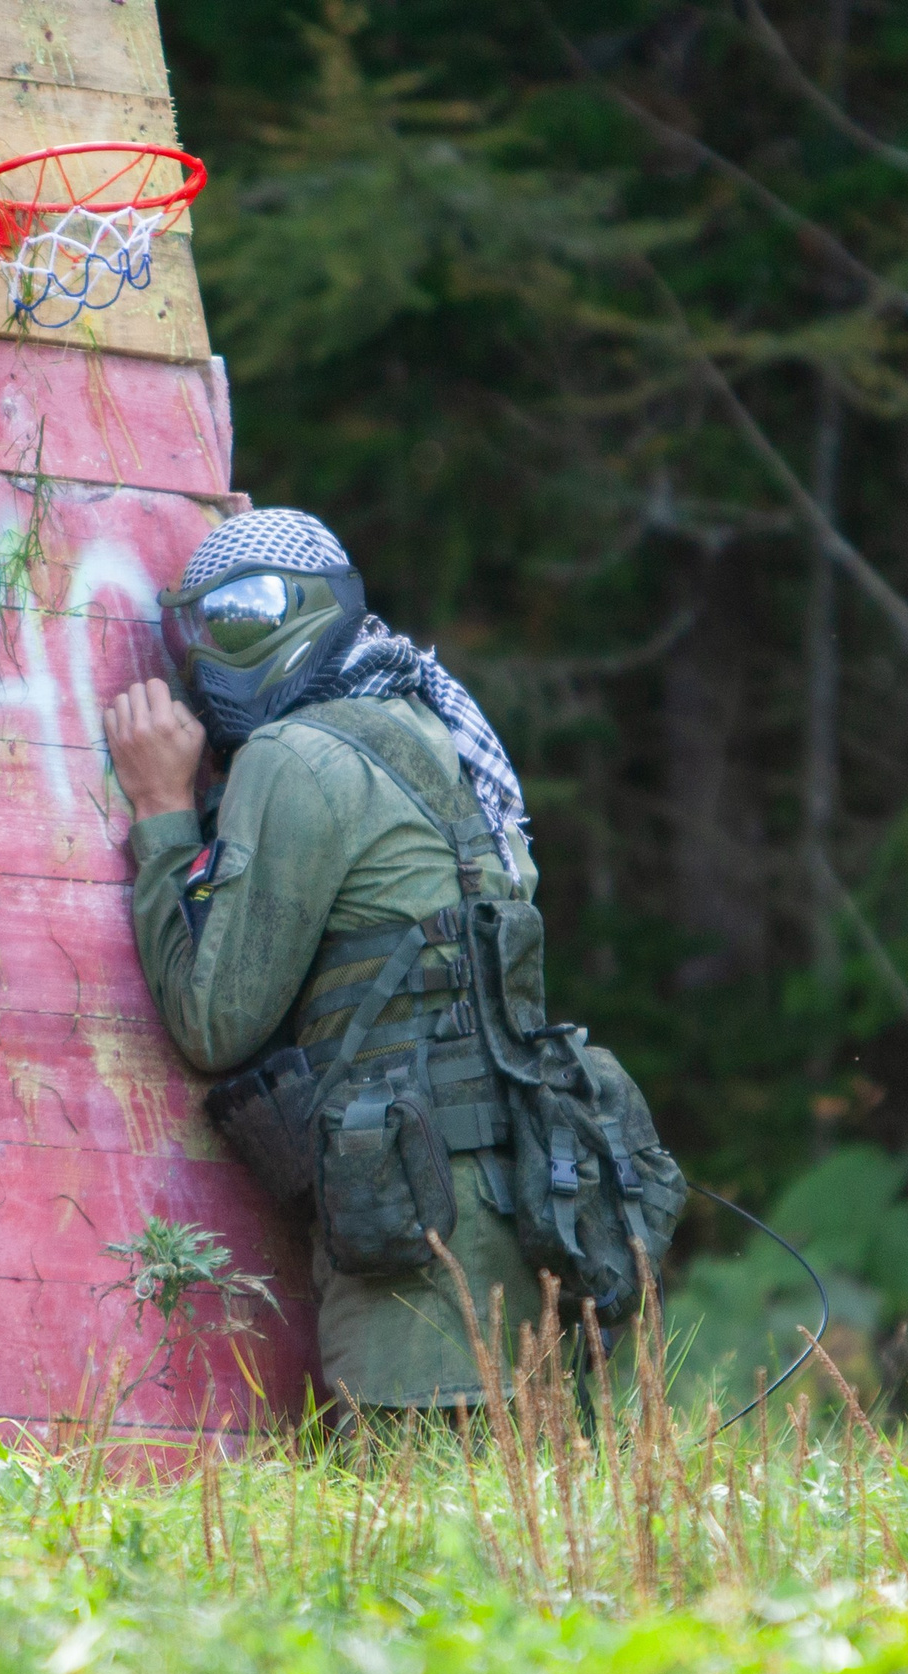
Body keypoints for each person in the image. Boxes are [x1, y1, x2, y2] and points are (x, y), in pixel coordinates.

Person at [104, 507, 544, 1409]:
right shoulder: (430, 724)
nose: (203, 660)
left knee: (410, 1533)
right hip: (532, 1211)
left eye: (228, 622)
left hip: (413, 1237)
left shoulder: (293, 757)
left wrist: (160, 812)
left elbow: (213, 1022)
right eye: (193, 628)